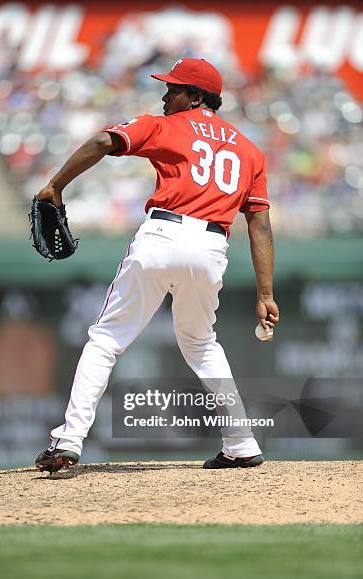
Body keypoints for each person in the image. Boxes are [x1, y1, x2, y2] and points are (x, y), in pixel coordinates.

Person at [35, 58, 280, 473]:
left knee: (107, 339)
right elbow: (259, 225)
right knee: (202, 344)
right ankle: (241, 442)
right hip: (210, 247)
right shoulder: (250, 149)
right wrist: (266, 293)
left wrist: (55, 185)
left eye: (174, 89)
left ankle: (69, 439)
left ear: (197, 97)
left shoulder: (165, 125)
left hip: (163, 236)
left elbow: (101, 142)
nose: (166, 96)